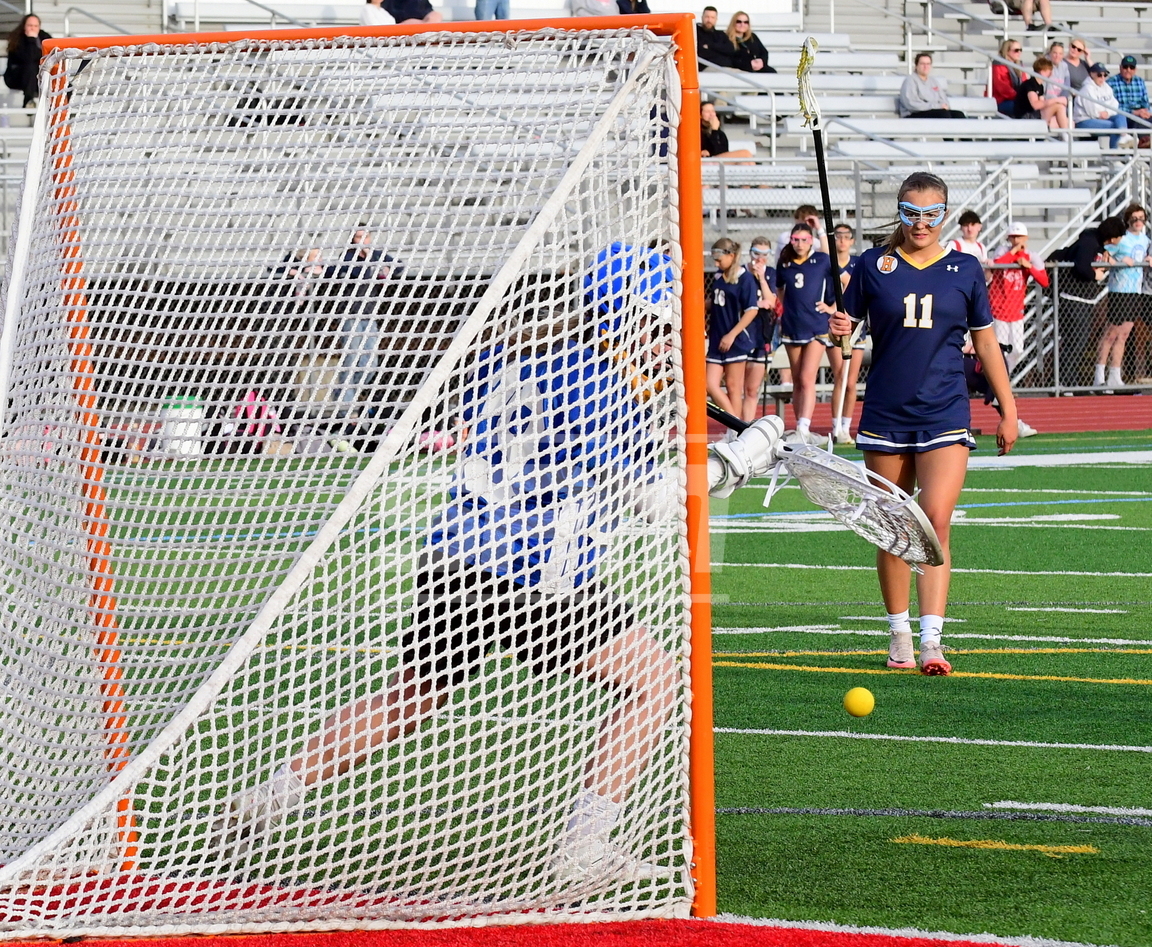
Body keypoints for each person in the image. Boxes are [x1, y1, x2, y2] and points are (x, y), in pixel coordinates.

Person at [208, 249, 788, 884]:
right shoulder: (605, 391)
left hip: (453, 556)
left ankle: (270, 796)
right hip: (534, 573)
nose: (667, 342)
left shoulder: (519, 360)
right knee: (653, 683)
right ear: (624, 318)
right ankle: (583, 847)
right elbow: (650, 499)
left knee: (411, 695)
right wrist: (736, 461)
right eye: (658, 326)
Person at [830, 172, 1017, 676]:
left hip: (945, 409)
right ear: (900, 212)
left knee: (934, 520)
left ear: (944, 215)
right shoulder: (872, 264)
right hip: (887, 411)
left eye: (931, 214)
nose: (920, 223)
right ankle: (899, 636)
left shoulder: (965, 267)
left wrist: (1009, 409)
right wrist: (840, 330)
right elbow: (844, 341)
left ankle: (932, 640)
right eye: (910, 213)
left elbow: (985, 342)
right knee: (894, 527)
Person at [325, 228, 402, 441]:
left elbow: (397, 267)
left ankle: (347, 394)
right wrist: (371, 263)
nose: (363, 241)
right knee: (352, 359)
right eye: (359, 237)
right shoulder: (349, 257)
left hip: (369, 315)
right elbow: (356, 273)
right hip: (350, 315)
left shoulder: (375, 254)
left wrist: (381, 265)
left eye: (365, 237)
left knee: (371, 363)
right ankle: (347, 408)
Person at [777, 222, 839, 444]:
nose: (800, 244)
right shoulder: (785, 262)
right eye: (796, 240)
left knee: (806, 377)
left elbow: (845, 281)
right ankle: (800, 428)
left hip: (816, 326)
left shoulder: (822, 260)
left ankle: (804, 427)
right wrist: (788, 310)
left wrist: (832, 308)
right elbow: (780, 290)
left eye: (804, 240)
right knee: (796, 379)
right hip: (792, 325)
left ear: (811, 241)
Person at [983, 222, 1044, 437]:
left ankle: (1002, 380)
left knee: (1017, 349)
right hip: (999, 309)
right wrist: (1014, 253)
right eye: (1013, 237)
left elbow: (1044, 279)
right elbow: (998, 263)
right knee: (998, 351)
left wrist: (1027, 265)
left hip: (1016, 311)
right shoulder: (1002, 251)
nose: (1016, 240)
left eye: (1019, 237)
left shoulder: (1032, 256)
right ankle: (998, 384)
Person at [1057, 216, 1124, 386]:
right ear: (1113, 237)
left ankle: (1070, 382)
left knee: (1079, 341)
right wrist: (1095, 275)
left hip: (1084, 299)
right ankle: (1065, 383)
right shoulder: (1088, 242)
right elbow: (1082, 265)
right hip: (1073, 298)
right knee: (1075, 341)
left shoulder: (1097, 244)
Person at [1094, 204, 1147, 388]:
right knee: (1111, 333)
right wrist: (1117, 260)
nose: (1138, 222)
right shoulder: (1122, 239)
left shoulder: (1145, 240)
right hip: (1119, 290)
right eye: (1134, 219)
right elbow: (1104, 253)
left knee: (1124, 334)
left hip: (1135, 291)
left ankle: (1115, 375)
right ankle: (1099, 375)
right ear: (1128, 220)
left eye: (1142, 218)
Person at [706, 238, 758, 417]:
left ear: (732, 256)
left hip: (735, 339)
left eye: (719, 259)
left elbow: (752, 310)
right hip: (716, 338)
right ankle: (734, 422)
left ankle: (734, 428)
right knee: (709, 384)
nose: (716, 263)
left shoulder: (745, 279)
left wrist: (732, 334)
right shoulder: (718, 277)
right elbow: (716, 303)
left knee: (733, 387)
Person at [831, 223, 862, 445]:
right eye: (838, 236)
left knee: (851, 382)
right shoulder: (827, 263)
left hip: (857, 328)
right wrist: (829, 307)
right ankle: (835, 426)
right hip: (837, 327)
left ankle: (845, 427)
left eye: (846, 236)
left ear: (852, 240)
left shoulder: (858, 264)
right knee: (840, 377)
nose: (842, 240)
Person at [742, 237, 778, 421]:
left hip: (760, 336)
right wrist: (756, 304)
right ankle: (732, 429)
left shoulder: (770, 273)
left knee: (751, 389)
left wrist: (762, 278)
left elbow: (771, 302)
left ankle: (745, 425)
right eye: (756, 253)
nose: (760, 258)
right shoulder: (740, 272)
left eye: (765, 254)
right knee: (736, 388)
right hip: (741, 335)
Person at [1075, 63, 1130, 148]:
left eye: (1105, 75)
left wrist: (1107, 112)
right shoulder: (1087, 89)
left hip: (1103, 117)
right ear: (1092, 74)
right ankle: (1115, 152)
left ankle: (1123, 136)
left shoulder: (1107, 87)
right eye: (1099, 75)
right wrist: (1103, 113)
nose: (1103, 78)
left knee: (1121, 116)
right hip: (1084, 120)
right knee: (1115, 126)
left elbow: (1114, 104)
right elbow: (1093, 112)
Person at [4, 14, 51, 109]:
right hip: (17, 76)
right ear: (24, 26)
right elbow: (28, 57)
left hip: (38, 76)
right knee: (30, 67)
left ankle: (66, 107)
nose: (32, 28)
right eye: (30, 25)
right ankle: (28, 101)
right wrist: (31, 40)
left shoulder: (44, 37)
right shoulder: (17, 39)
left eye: (35, 26)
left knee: (61, 79)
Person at [899, 53, 966, 118]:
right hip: (914, 113)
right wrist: (936, 106)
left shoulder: (933, 81)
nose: (925, 66)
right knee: (943, 114)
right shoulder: (910, 81)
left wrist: (944, 106)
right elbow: (912, 104)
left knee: (959, 115)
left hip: (934, 111)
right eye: (922, 64)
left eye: (928, 64)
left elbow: (943, 99)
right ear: (916, 66)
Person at [1107, 56, 1151, 146]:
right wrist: (1134, 112)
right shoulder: (1111, 82)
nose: (1128, 70)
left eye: (1131, 67)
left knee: (1145, 119)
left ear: (1135, 69)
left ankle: (1143, 144)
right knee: (1137, 122)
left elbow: (1145, 102)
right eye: (1125, 67)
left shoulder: (1140, 81)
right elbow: (1112, 106)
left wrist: (1144, 111)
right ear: (1120, 68)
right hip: (1123, 115)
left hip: (1140, 114)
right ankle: (1142, 144)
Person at [1015, 57, 1069, 129]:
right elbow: (1036, 105)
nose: (1051, 73)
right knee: (1059, 106)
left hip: (1034, 115)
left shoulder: (1040, 86)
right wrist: (1057, 100)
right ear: (1042, 71)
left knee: (1060, 108)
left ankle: (1065, 132)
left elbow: (1042, 104)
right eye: (1049, 71)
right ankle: (1065, 133)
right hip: (1025, 116)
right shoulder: (1030, 84)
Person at [992, 39, 1024, 118]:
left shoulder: (1019, 65)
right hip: (1000, 100)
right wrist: (1020, 97)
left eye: (1020, 50)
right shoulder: (999, 64)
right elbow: (1003, 87)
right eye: (1016, 50)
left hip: (1015, 99)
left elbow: (1025, 83)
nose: (1019, 52)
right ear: (1007, 51)